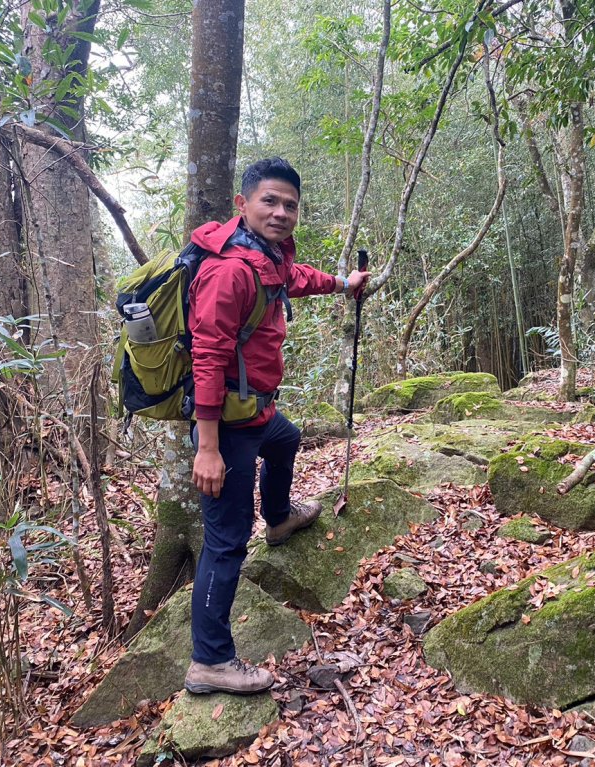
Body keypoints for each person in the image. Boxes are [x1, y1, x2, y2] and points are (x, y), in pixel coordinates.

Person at [183, 157, 369, 695]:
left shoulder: (266, 256)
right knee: (226, 543)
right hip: (229, 428)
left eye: (290, 204)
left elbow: (296, 279)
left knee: (286, 439)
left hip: (257, 414)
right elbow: (208, 356)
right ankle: (209, 660)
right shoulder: (230, 270)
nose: (282, 212)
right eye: (270, 201)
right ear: (243, 205)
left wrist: (342, 283)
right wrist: (209, 448)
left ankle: (281, 517)